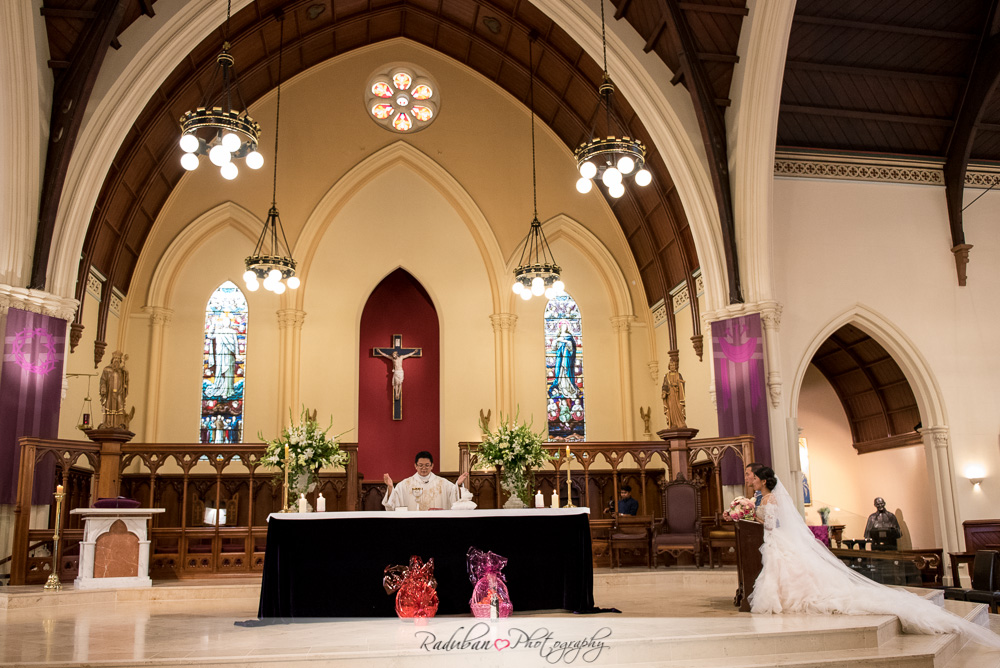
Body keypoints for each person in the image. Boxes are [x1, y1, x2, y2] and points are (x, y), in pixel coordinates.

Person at [749, 467, 1000, 648]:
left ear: (762, 481)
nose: (752, 482)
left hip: (776, 539)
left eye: (754, 478)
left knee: (786, 571)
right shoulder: (769, 496)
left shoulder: (769, 498)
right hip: (780, 541)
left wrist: (751, 514)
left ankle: (786, 600)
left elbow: (771, 523)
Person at [382, 451, 469, 511]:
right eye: (420, 465)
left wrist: (458, 484)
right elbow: (392, 503)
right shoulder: (404, 484)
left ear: (432, 466)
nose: (424, 468)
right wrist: (390, 487)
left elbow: (455, 496)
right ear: (415, 466)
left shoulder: (443, 483)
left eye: (427, 465)